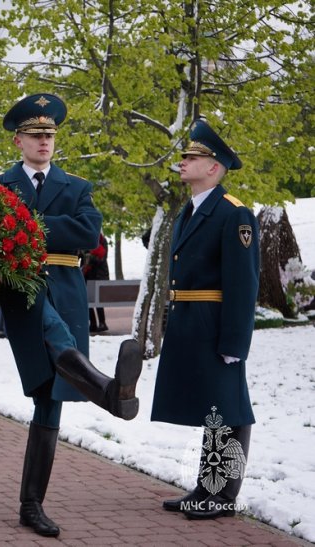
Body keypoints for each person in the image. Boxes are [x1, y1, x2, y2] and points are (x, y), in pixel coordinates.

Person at [0, 93, 142, 537]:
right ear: (18, 141)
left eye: (50, 135)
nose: (44, 142)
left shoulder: (77, 186)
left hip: (66, 290)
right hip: (22, 288)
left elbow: (88, 232)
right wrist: (48, 230)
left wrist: (25, 226)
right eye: (35, 135)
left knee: (50, 398)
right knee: (50, 333)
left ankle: (31, 504)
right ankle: (106, 390)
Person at [153, 118, 259, 520]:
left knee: (228, 408)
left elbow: (243, 283)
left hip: (215, 322)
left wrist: (235, 341)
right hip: (190, 319)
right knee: (212, 408)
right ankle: (206, 488)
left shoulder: (234, 214)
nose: (183, 162)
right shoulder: (192, 209)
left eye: (192, 157)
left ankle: (224, 495)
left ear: (214, 167)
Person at [82, 232, 109, 333]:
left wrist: (90, 257)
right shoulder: (84, 241)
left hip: (98, 275)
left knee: (98, 301)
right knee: (88, 301)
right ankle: (92, 323)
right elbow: (81, 255)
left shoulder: (102, 240)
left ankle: (102, 323)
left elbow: (102, 259)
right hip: (87, 274)